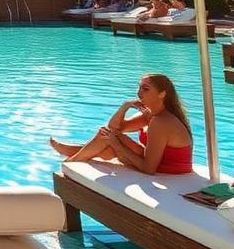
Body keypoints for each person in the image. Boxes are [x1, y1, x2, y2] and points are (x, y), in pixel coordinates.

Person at [49, 73, 194, 174]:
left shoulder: (161, 121)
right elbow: (114, 127)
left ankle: (72, 160)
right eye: (139, 87)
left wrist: (117, 144)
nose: (139, 93)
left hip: (169, 170)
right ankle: (73, 154)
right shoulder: (151, 114)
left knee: (110, 139)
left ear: (162, 94)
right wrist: (125, 106)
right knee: (109, 138)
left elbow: (149, 169)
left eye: (146, 89)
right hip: (161, 163)